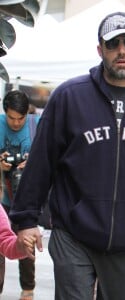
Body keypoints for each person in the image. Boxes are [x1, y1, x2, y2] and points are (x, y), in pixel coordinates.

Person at [9, 12, 125, 300]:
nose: (121, 50)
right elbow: (42, 162)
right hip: (73, 233)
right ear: (99, 50)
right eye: (112, 43)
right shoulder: (70, 97)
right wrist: (26, 220)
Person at [0, 90, 39, 300]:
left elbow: (50, 156)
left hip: (26, 199)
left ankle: (28, 290)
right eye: (11, 118)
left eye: (20, 119)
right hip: (2, 197)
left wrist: (32, 162)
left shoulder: (37, 124)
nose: (16, 123)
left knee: (25, 243)